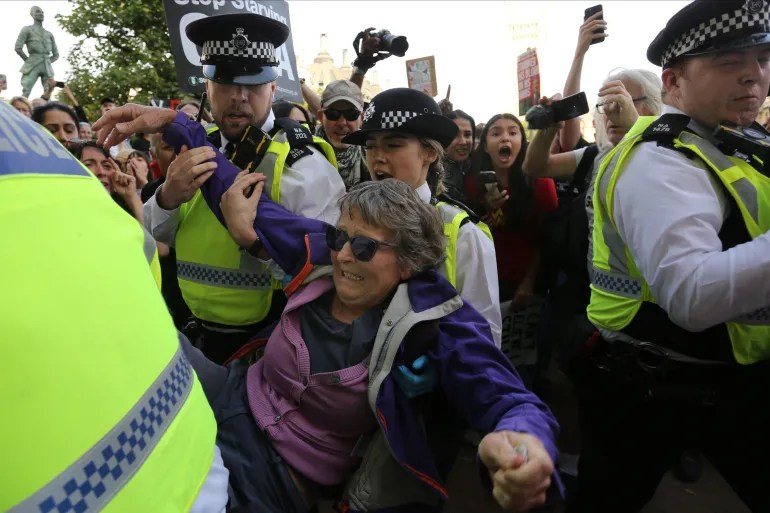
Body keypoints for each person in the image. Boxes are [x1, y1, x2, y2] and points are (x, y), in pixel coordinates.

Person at [205, 174, 563, 512]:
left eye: (364, 247)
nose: (344, 254)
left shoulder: (433, 322)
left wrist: (526, 446)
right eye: (338, 237)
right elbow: (251, 198)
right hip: (229, 393)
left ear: (408, 263)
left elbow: (510, 399)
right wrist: (176, 125)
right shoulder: (320, 257)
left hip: (276, 471)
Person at [568, 1, 770, 511]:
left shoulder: (740, 142)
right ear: (673, 83)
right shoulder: (659, 161)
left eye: (763, 57)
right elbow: (692, 296)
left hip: (732, 377)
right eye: (728, 61)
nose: (753, 74)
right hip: (651, 386)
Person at [0, 100, 227, 513]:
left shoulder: (99, 205)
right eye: (56, 131)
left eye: (105, 163)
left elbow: (151, 259)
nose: (101, 171)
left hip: (198, 456)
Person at [136, 12, 344, 364]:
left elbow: (327, 274)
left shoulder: (304, 166)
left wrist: (253, 242)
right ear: (208, 87)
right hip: (191, 336)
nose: (239, 97)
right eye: (227, 84)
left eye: (253, 84)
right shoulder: (198, 149)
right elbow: (157, 237)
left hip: (268, 349)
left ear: (273, 88)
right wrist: (168, 197)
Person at [342, 87, 502, 346]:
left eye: (393, 145)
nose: (378, 158)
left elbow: (484, 337)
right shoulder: (351, 220)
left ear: (430, 152)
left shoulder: (462, 233)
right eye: (370, 148)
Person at [316, 80, 370, 190]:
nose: (342, 123)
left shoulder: (372, 155)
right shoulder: (306, 152)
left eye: (351, 114)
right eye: (333, 114)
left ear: (362, 118)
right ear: (321, 117)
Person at [14, 5, 58, 98]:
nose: (41, 13)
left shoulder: (49, 34)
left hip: (47, 67)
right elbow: (18, 47)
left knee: (48, 91)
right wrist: (27, 60)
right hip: (32, 64)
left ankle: (46, 110)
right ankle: (21, 110)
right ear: (32, 14)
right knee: (26, 91)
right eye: (38, 11)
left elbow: (56, 55)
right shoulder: (27, 30)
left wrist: (48, 61)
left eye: (42, 12)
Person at [443, 109, 475, 204]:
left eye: (467, 135)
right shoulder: (437, 178)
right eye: (455, 135)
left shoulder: (473, 168)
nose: (463, 142)